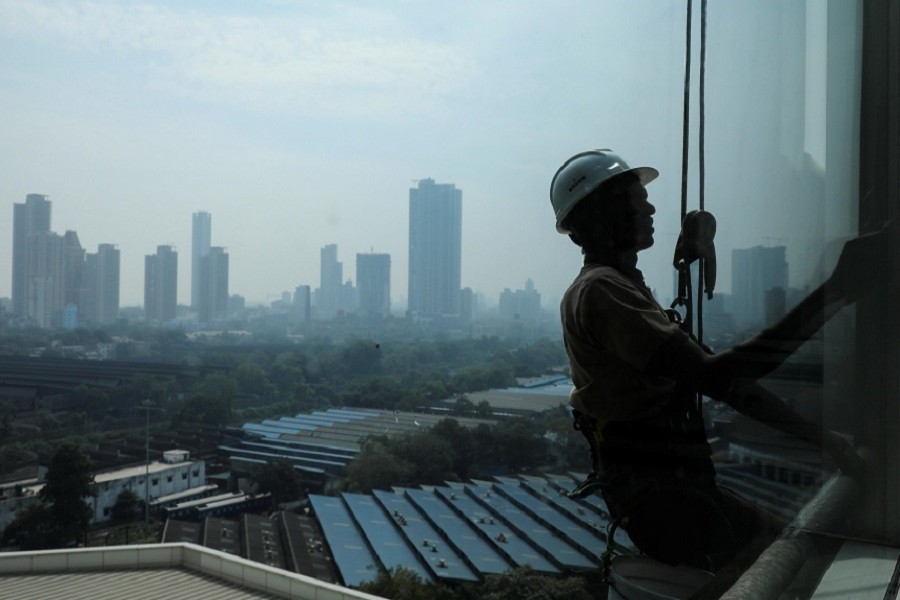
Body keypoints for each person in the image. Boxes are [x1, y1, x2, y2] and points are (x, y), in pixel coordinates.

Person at [550, 149, 874, 572]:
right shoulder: (601, 292)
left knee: (795, 554)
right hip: (667, 505)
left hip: (678, 495)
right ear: (587, 224)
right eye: (631, 197)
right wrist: (835, 291)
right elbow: (721, 376)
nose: (648, 206)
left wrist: (822, 439)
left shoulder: (625, 288)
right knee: (798, 562)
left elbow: (729, 384)